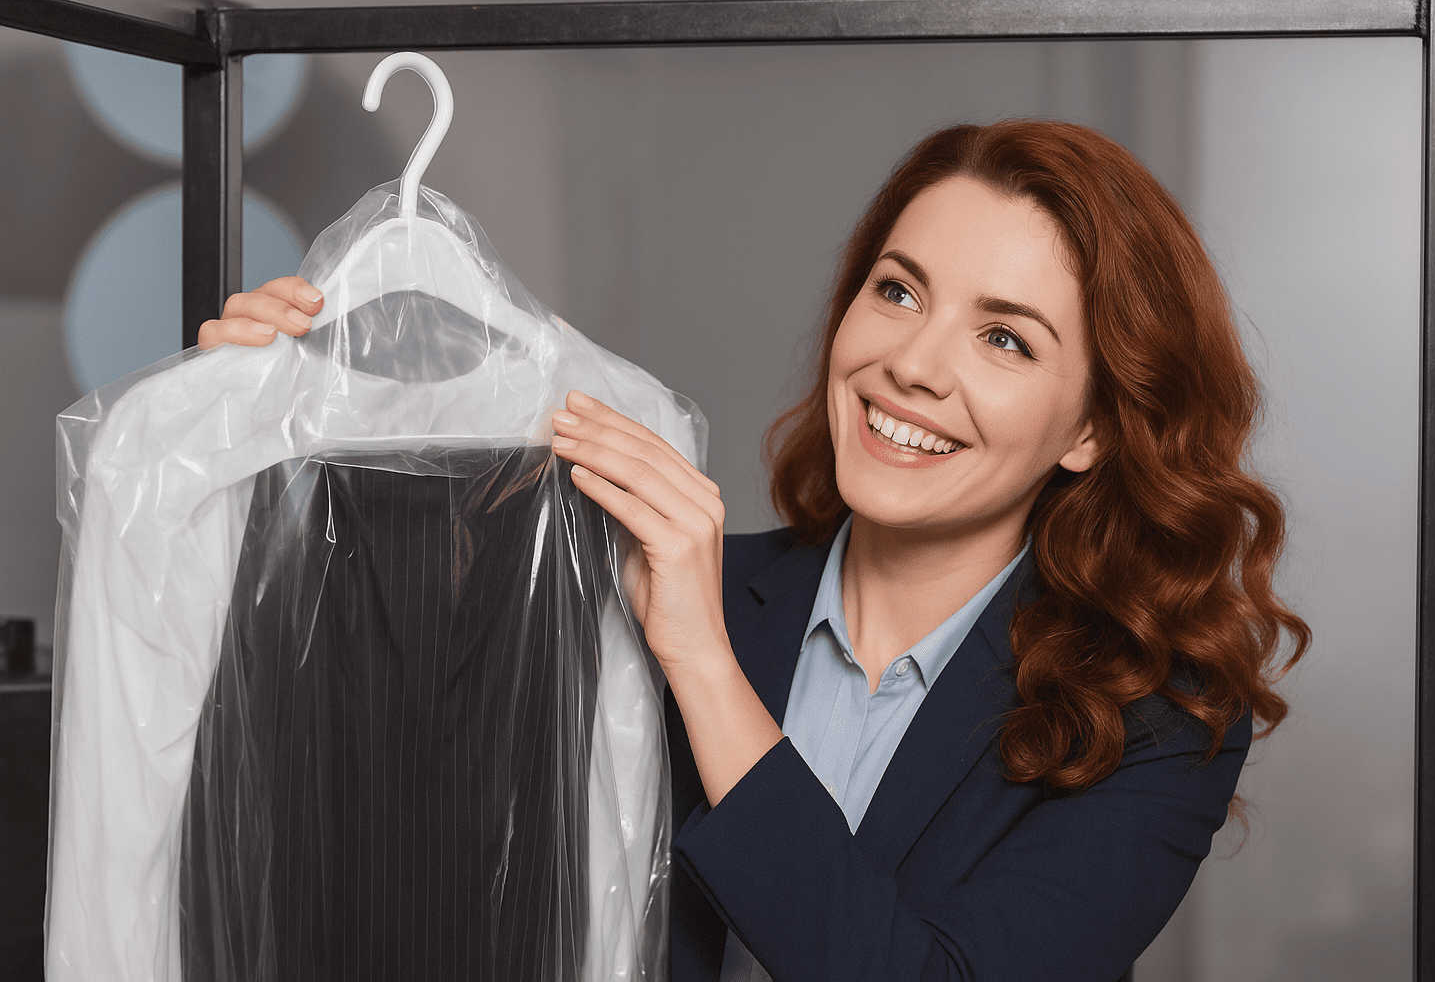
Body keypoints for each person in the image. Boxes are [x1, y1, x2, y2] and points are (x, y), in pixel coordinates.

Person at [201, 119, 1309, 982]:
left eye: (1004, 336)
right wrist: (267, 428)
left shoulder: (1162, 717)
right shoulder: (652, 584)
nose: (912, 363)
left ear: (1091, 430)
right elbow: (379, 816)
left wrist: (705, 667)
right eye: (898, 290)